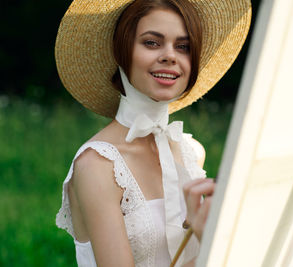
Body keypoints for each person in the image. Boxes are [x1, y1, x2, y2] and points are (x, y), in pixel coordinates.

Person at [54, 0, 251, 266]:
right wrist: (211, 243)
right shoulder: (97, 165)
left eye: (183, 47)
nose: (170, 55)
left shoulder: (191, 152)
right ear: (122, 50)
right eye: (152, 42)